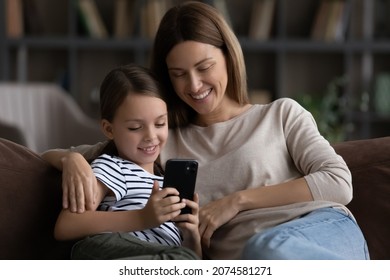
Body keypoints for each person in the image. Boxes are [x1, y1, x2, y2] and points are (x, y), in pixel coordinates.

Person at [42, 1, 369, 260]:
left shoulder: (280, 114)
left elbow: (338, 182)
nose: (194, 85)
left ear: (228, 57)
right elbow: (56, 155)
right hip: (249, 264)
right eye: (179, 73)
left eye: (204, 67)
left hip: (320, 231)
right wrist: (72, 163)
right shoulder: (162, 137)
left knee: (266, 250)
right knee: (259, 254)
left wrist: (237, 201)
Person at [52, 64, 201, 259]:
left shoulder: (167, 184)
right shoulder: (113, 167)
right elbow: (66, 225)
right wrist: (142, 218)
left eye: (160, 124)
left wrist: (192, 234)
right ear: (109, 129)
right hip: (108, 249)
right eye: (135, 127)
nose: (150, 136)